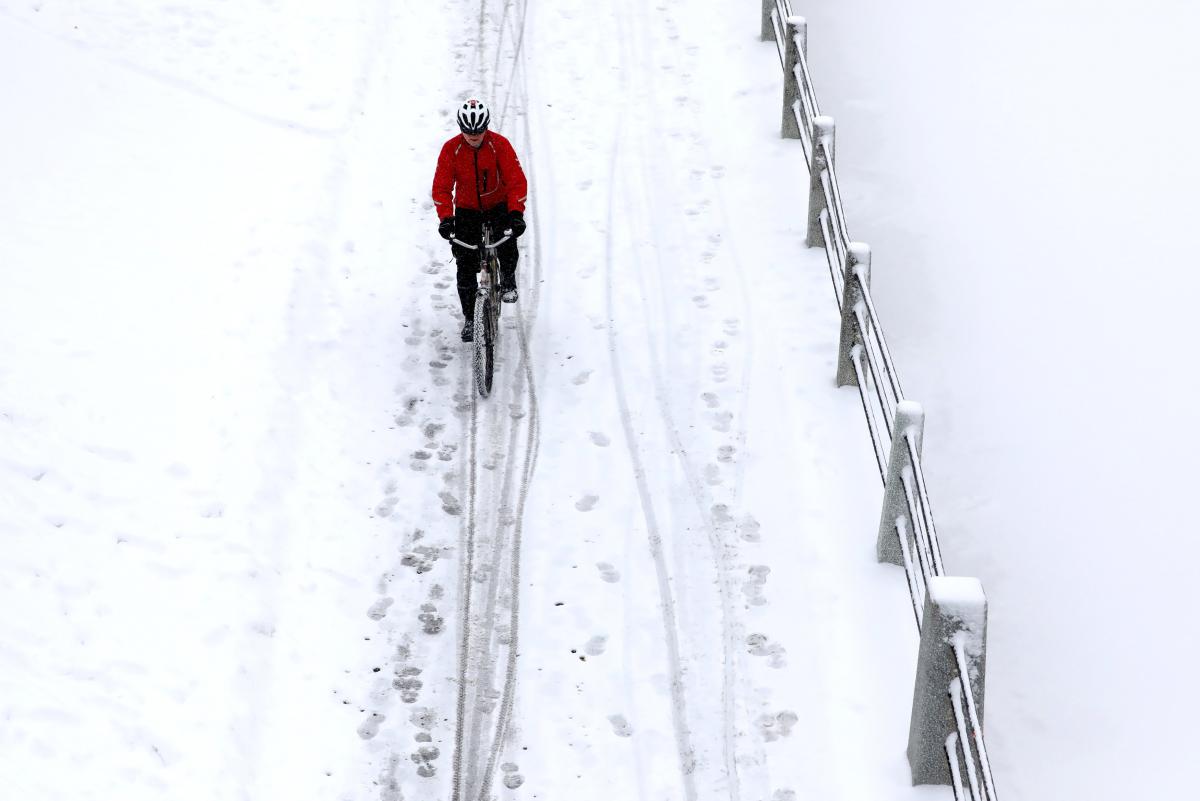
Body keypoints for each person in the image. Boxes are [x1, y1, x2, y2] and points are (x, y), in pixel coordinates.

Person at [431, 98, 529, 342]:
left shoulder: (500, 145)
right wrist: (446, 218)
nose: (473, 137)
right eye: (468, 133)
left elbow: (516, 180)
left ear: (486, 127)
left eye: (478, 132)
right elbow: (441, 187)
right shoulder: (450, 149)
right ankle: (471, 319)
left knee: (506, 240)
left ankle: (507, 280)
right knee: (464, 263)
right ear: (460, 129)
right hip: (467, 210)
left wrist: (516, 213)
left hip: (497, 205)